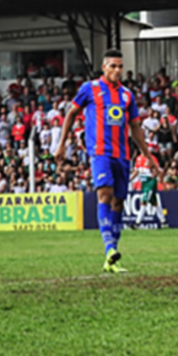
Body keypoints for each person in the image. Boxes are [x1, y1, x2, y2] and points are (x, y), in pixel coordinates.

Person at [56, 49, 158, 274]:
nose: (117, 70)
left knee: (119, 203)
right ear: (104, 67)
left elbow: (135, 128)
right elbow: (72, 113)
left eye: (120, 66)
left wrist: (148, 157)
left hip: (122, 155)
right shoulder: (90, 89)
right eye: (113, 66)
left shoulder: (127, 95)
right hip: (100, 152)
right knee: (104, 194)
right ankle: (110, 249)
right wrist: (62, 143)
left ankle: (112, 259)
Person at [129, 154, 166, 229]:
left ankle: (137, 223)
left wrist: (155, 175)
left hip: (150, 182)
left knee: (144, 200)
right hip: (144, 183)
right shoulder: (138, 158)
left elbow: (158, 169)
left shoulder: (151, 157)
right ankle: (163, 221)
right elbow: (136, 171)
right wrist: (130, 180)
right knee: (154, 202)